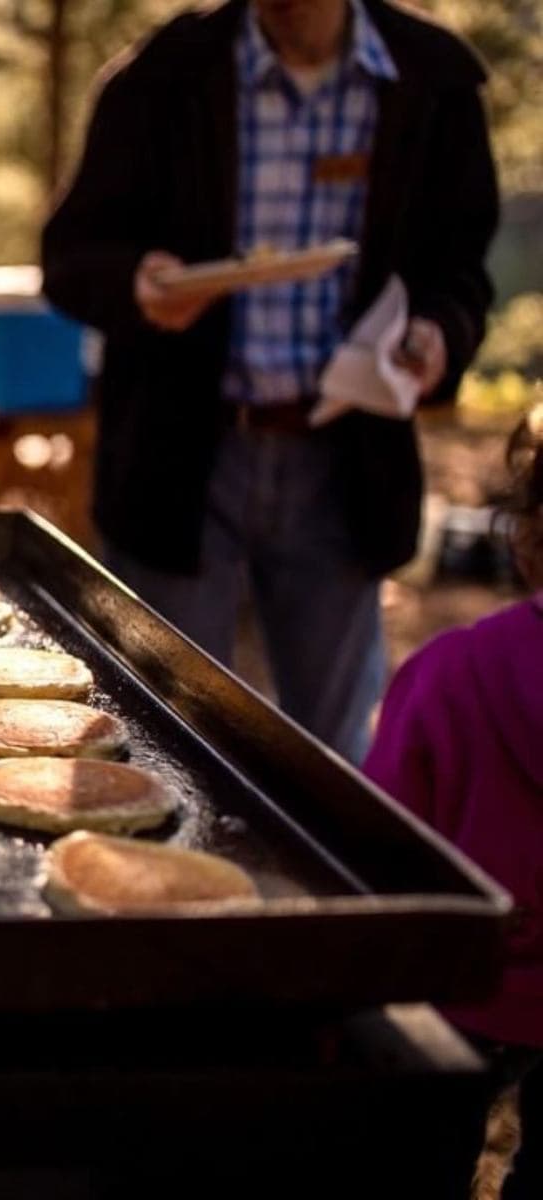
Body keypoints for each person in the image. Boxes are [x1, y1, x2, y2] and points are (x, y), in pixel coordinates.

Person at [41, 0, 498, 761]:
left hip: (347, 462)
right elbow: (70, 258)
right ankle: (173, 882)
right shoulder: (166, 72)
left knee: (335, 756)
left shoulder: (433, 78)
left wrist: (438, 334)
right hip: (180, 460)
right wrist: (138, 286)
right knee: (159, 737)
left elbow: (462, 271)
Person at [363, 405, 543, 1199]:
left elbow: (380, 856)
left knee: (420, 1160)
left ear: (525, 532)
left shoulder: (449, 675)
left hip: (454, 1002)